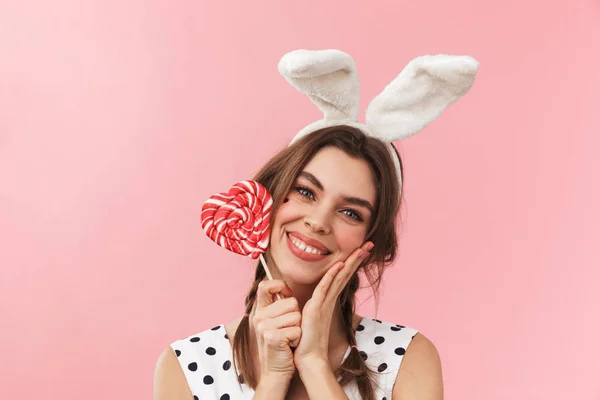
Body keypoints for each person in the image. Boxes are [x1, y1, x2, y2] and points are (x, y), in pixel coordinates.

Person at [154, 49, 479, 400]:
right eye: (306, 191)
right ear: (270, 197)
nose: (318, 221)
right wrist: (275, 376)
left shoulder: (409, 358)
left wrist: (314, 363)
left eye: (351, 212)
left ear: (370, 244)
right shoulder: (186, 366)